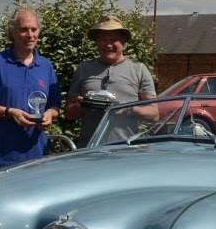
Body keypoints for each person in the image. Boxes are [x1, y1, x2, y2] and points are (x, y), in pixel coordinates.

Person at [0, 7, 61, 169]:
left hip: (38, 158)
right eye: (24, 30)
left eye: (34, 29)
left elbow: (55, 105)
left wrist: (49, 115)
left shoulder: (46, 66)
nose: (30, 35)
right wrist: (9, 112)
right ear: (13, 32)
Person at [66, 16, 157, 144]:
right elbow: (69, 113)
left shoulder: (139, 69)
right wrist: (85, 106)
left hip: (126, 148)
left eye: (113, 40)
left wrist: (128, 109)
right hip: (90, 147)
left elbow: (154, 113)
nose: (108, 44)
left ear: (123, 42)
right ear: (97, 42)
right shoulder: (84, 69)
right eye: (103, 40)